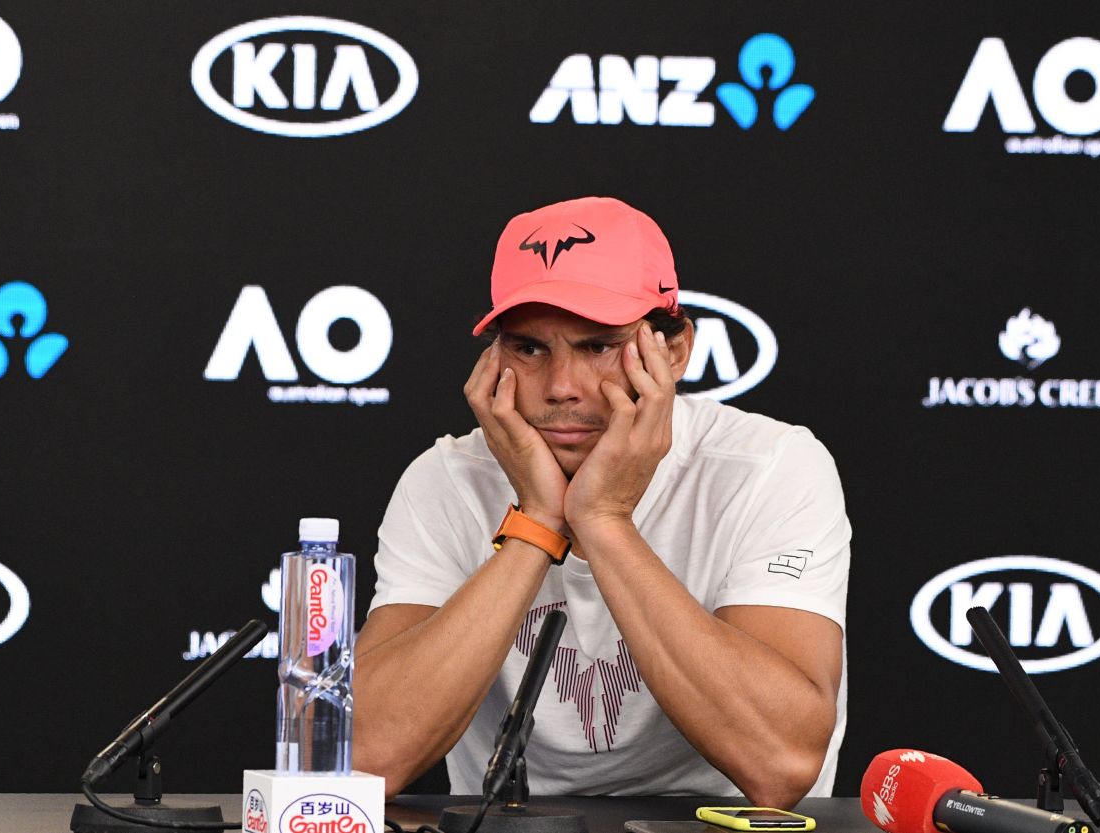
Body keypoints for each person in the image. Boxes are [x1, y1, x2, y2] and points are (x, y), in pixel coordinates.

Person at [352, 196, 851, 805]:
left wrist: (603, 519)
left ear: (672, 350)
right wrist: (538, 520)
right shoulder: (446, 479)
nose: (561, 387)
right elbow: (362, 757)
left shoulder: (767, 466)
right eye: (529, 349)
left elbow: (781, 762)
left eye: (598, 346)